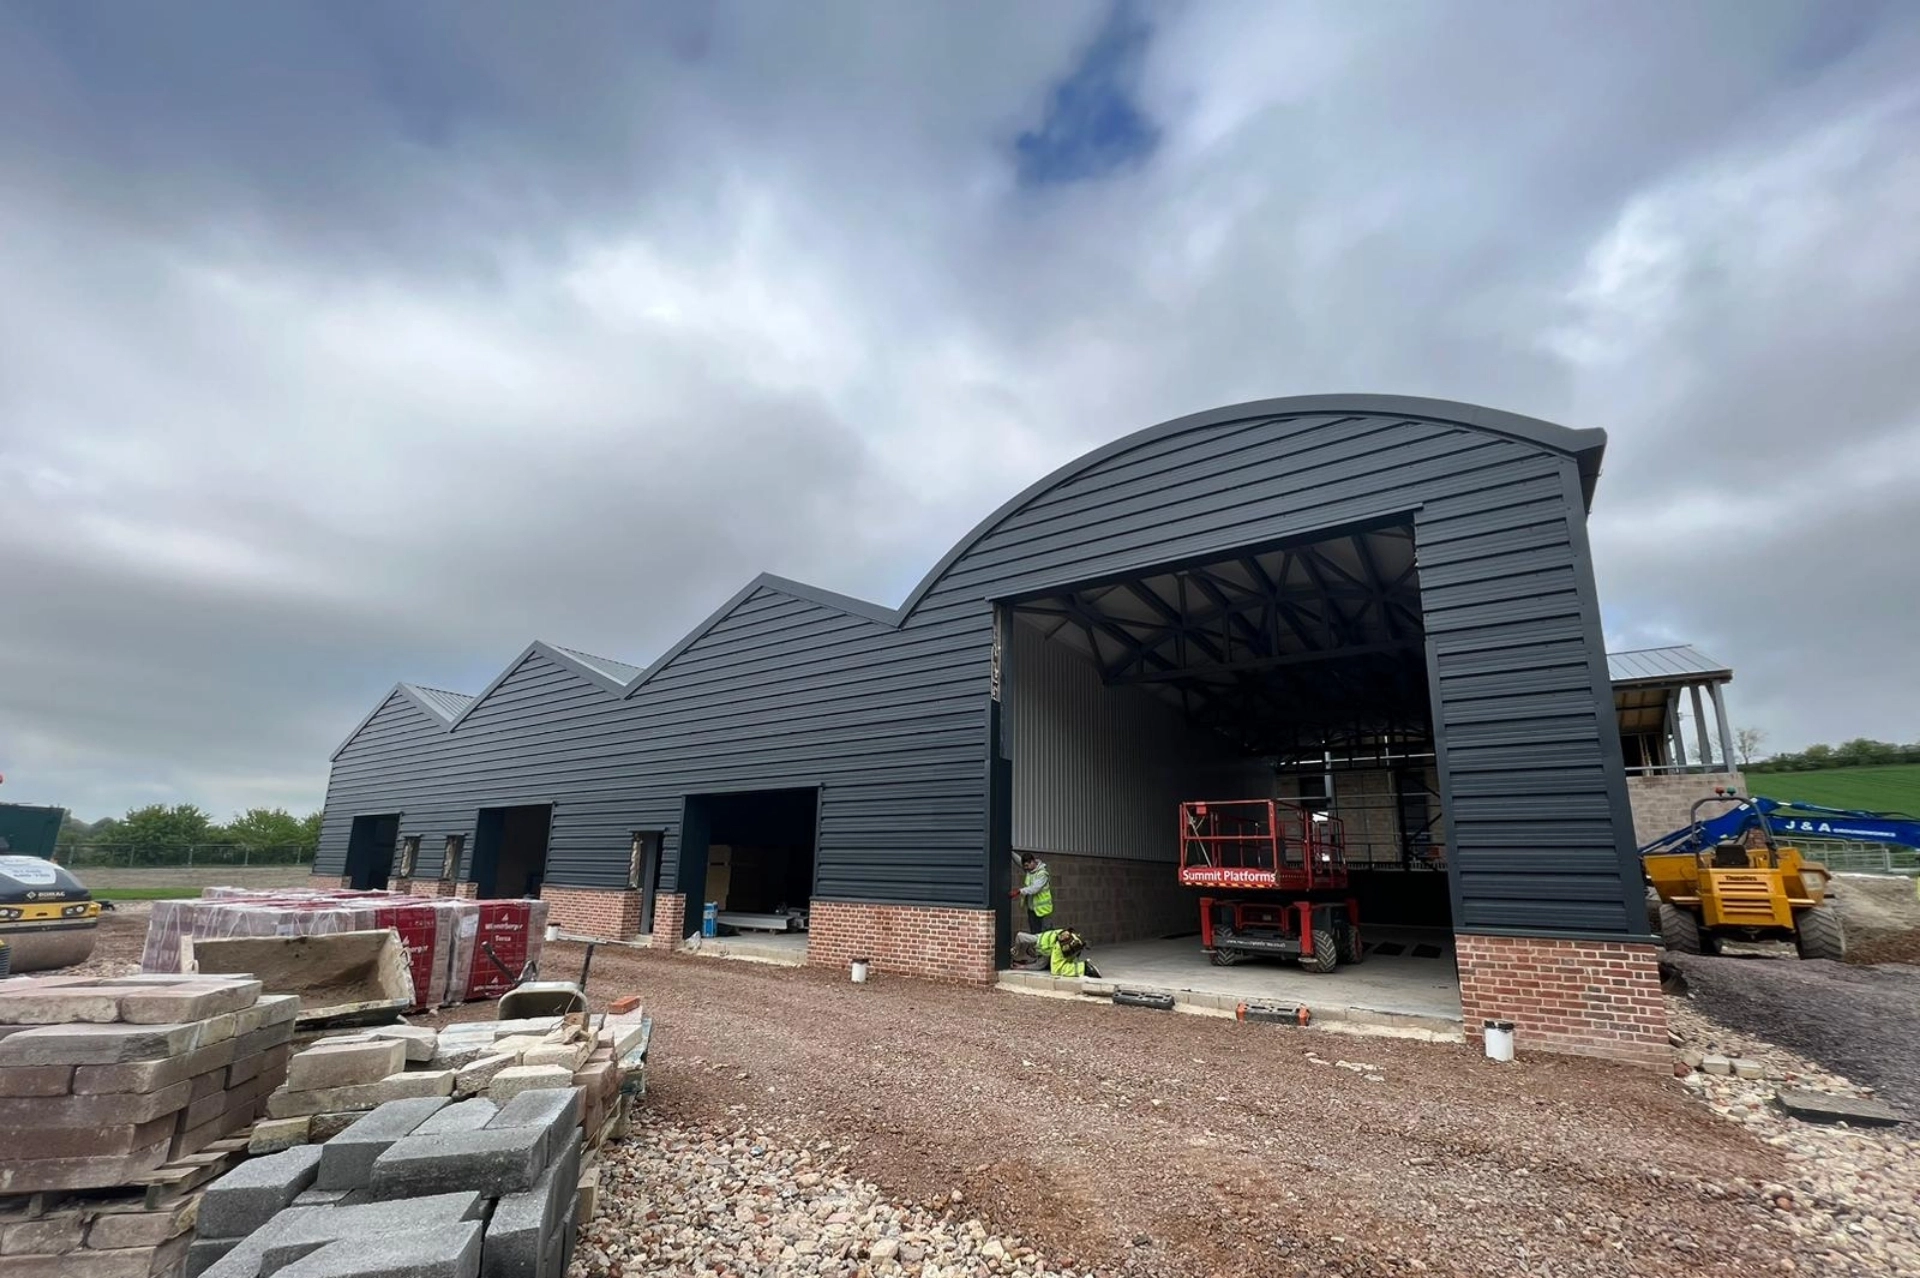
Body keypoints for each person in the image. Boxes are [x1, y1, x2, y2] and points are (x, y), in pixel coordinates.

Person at [1013, 927, 1095, 979]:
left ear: (1030, 946)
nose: (1034, 953)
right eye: (1032, 955)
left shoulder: (1036, 939)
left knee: (1056, 970)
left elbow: (1019, 936)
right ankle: (1083, 966)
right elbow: (1038, 966)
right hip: (1068, 941)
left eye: (1031, 951)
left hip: (1062, 942)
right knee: (1067, 963)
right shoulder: (1044, 955)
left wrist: (1015, 950)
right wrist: (1022, 967)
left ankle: (1084, 968)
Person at [1008, 852, 1055, 933]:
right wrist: (1010, 852)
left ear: (1032, 862)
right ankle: (1036, 946)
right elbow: (1019, 861)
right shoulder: (1029, 871)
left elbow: (1035, 888)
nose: (1025, 868)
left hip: (1043, 911)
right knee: (1034, 933)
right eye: (1024, 866)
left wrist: (1019, 891)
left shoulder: (1042, 874)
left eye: (1027, 865)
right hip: (1032, 910)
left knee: (1046, 933)